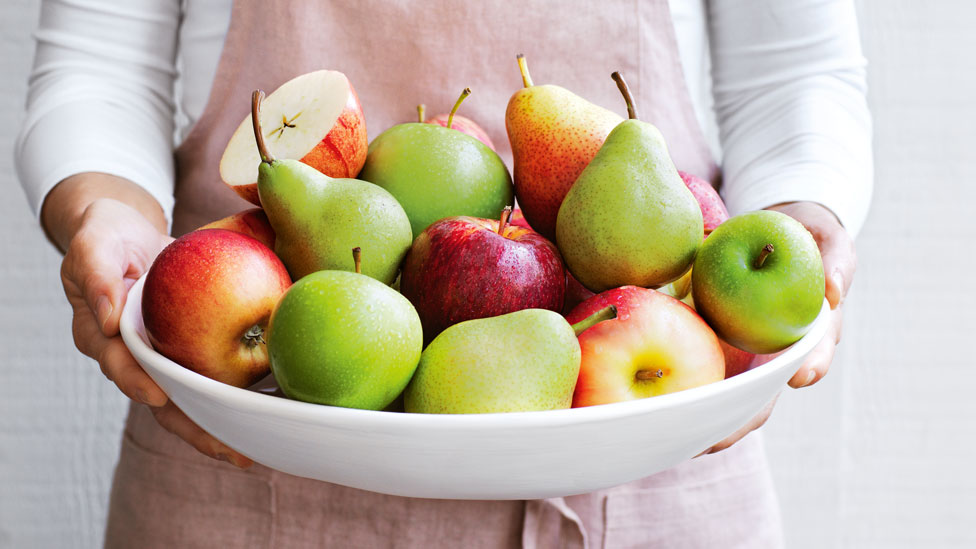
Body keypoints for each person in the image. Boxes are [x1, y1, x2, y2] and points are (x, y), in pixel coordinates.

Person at [16, 0, 871, 546]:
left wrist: (806, 219)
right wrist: (104, 212)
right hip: (244, 435)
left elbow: (793, 74)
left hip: (655, 455)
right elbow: (99, 61)